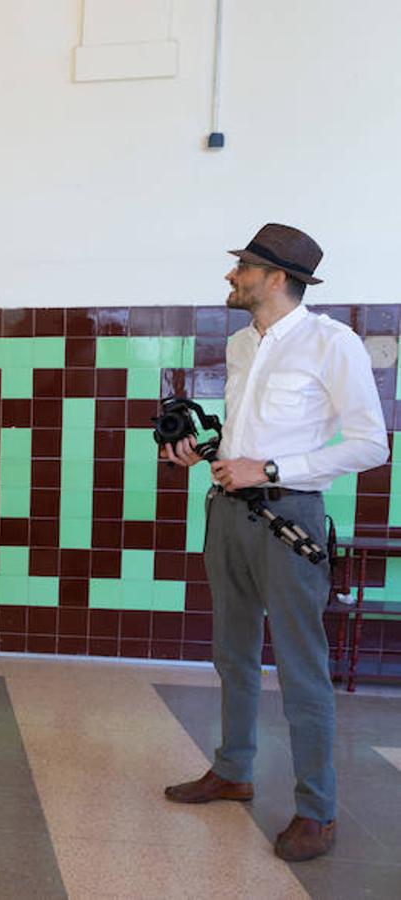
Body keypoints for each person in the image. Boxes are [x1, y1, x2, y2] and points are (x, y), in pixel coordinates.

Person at [161, 224, 388, 862]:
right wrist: (200, 452)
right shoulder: (240, 344)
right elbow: (245, 433)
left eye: (243, 269)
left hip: (289, 520)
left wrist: (270, 470)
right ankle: (233, 770)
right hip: (227, 515)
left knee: (300, 666)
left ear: (278, 279)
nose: (232, 278)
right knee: (232, 653)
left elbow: (371, 444)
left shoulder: (330, 344)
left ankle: (317, 811)